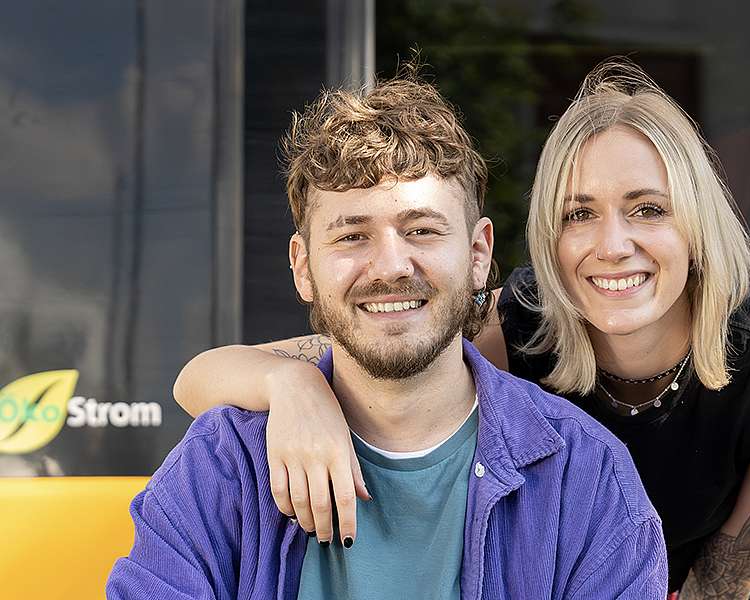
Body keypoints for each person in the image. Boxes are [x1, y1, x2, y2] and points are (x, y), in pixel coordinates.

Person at [175, 60, 750, 599]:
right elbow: (199, 378)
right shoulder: (509, 327)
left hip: (735, 560)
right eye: (579, 213)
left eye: (648, 209)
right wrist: (293, 383)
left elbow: (726, 579)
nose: (612, 245)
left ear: (698, 227)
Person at [108, 71, 667, 599]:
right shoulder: (227, 463)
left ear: (478, 255)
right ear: (303, 267)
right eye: (352, 236)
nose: (391, 266)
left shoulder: (586, 480)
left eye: (422, 230)